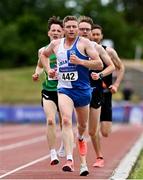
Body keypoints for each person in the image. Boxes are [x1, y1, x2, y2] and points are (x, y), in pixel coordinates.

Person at [40, 15, 103, 176]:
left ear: (77, 28)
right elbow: (43, 55)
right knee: (66, 120)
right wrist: (49, 71)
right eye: (68, 27)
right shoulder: (56, 44)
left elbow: (99, 64)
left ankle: (81, 138)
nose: (72, 29)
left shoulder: (85, 43)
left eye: (74, 26)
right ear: (64, 29)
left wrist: (81, 62)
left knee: (82, 127)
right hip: (64, 89)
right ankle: (69, 159)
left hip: (82, 91)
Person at [78, 16, 115, 168]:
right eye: (82, 29)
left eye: (88, 29)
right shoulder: (68, 45)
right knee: (68, 121)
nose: (85, 31)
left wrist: (100, 75)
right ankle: (70, 154)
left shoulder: (97, 48)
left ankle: (99, 156)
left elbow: (112, 66)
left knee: (93, 131)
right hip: (76, 89)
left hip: (95, 91)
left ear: (91, 31)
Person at [89, 23, 125, 167]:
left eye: (98, 34)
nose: (96, 36)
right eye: (94, 34)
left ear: (102, 36)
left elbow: (121, 67)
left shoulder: (109, 52)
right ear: (90, 35)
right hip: (91, 92)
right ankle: (99, 156)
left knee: (105, 132)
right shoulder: (84, 49)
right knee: (93, 129)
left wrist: (116, 85)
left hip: (106, 94)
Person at [32, 16, 65, 166]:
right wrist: (37, 73)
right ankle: (53, 153)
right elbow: (40, 64)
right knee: (51, 120)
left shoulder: (67, 49)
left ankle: (65, 146)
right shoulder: (42, 50)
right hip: (49, 90)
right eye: (53, 30)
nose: (56, 32)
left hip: (65, 91)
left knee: (65, 122)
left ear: (63, 33)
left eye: (59, 30)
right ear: (49, 33)